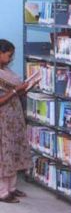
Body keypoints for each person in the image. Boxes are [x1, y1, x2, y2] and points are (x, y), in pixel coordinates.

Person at [0, 39, 39, 203]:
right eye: (9, 55)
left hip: (14, 117)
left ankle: (12, 188)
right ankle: (2, 192)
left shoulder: (7, 71)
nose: (10, 58)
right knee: (4, 154)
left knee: (14, 150)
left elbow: (14, 93)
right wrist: (16, 89)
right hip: (3, 119)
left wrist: (25, 88)